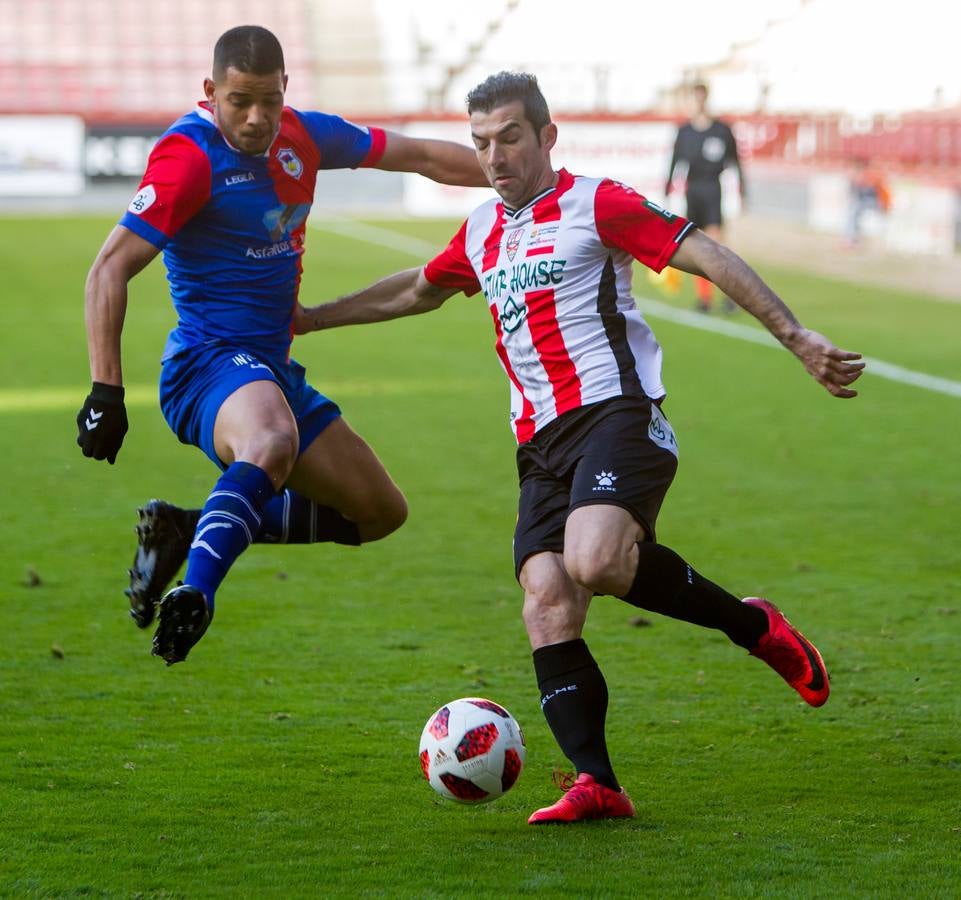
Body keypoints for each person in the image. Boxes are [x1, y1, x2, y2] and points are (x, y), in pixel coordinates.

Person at [293, 72, 865, 824]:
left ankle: (752, 627)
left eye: (509, 137)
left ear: (545, 136)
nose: (494, 156)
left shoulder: (597, 203)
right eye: (480, 143)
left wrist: (795, 337)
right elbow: (415, 291)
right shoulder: (480, 231)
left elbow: (704, 255)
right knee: (547, 600)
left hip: (616, 415)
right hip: (537, 445)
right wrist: (308, 319)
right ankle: (596, 783)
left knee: (594, 560)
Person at [75, 25, 488, 666]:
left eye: (269, 100)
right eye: (240, 101)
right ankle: (199, 592)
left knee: (377, 512)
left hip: (270, 368)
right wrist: (106, 390)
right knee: (270, 440)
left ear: (286, 89)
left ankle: (190, 528)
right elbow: (108, 268)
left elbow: (423, 157)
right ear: (211, 92)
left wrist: (526, 182)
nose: (256, 117)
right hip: (206, 365)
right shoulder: (188, 157)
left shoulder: (305, 135)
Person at [665, 81, 746, 312]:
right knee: (698, 247)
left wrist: (742, 190)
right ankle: (705, 299)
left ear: (706, 99)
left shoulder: (721, 130)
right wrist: (668, 187)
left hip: (712, 188)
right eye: (694, 97)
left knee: (717, 245)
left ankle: (730, 296)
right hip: (693, 189)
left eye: (701, 97)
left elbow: (736, 161)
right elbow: (675, 161)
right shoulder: (685, 131)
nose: (698, 102)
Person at [845, 157, 891, 247]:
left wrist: (858, 182)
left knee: (855, 209)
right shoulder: (862, 177)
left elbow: (872, 193)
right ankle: (852, 238)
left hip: (878, 203)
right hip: (868, 203)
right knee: (853, 210)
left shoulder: (872, 176)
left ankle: (852, 239)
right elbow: (856, 195)